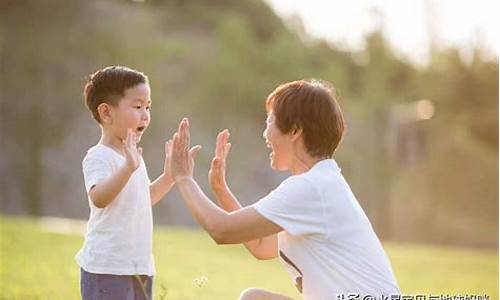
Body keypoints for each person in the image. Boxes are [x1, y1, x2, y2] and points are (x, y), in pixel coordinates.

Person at [168, 79, 401, 300]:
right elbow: (261, 246)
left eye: (269, 121)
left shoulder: (311, 188)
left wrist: (183, 177)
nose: (265, 133)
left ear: (295, 130)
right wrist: (221, 190)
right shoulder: (321, 183)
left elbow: (222, 231)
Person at [76, 66, 174, 300]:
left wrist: (170, 176)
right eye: (138, 106)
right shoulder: (99, 156)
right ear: (107, 113)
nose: (145, 114)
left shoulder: (132, 158)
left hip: (139, 267)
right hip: (107, 269)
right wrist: (128, 168)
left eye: (148, 107)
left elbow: (144, 198)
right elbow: (99, 197)